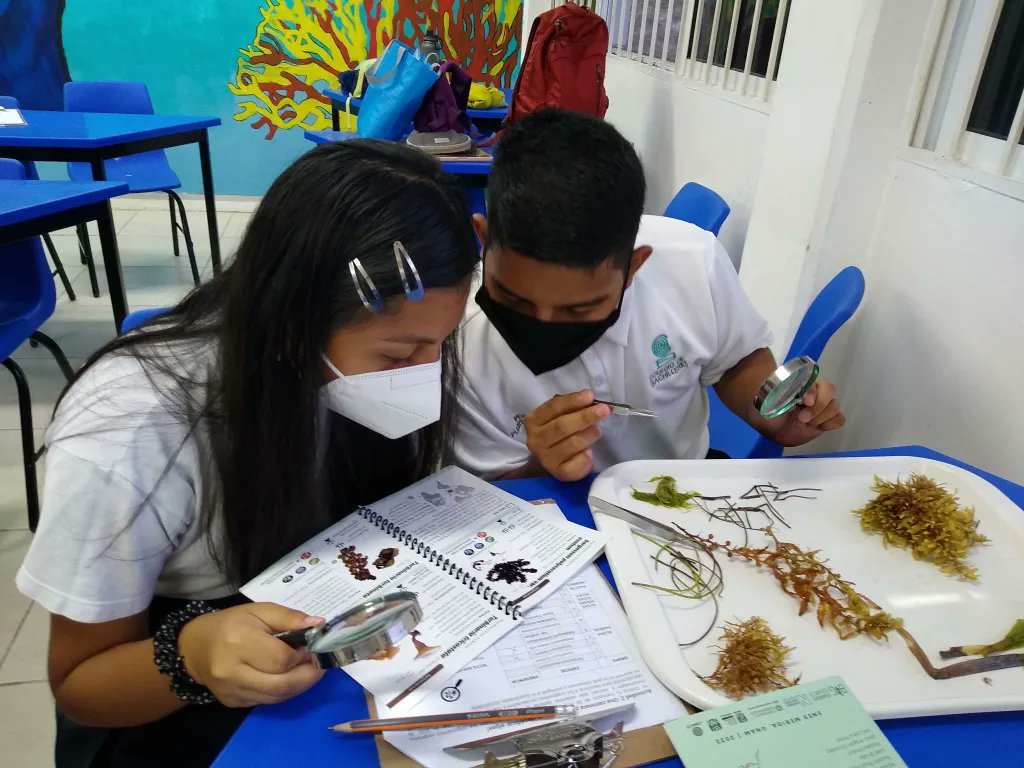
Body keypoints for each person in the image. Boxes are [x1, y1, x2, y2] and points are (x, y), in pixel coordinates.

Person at [16, 141, 478, 767]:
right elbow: (80, 687)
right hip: (176, 701)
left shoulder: (368, 351)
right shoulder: (135, 427)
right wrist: (192, 656)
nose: (423, 375)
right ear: (292, 323)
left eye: (439, 345)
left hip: (316, 656)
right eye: (398, 357)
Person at [453, 109, 845, 481]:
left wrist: (771, 414)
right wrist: (541, 465)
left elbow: (737, 361)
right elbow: (492, 491)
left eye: (579, 308)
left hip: (681, 487)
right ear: (484, 240)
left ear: (634, 267)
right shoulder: (460, 344)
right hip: (548, 515)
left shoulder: (693, 263)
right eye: (515, 299)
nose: (543, 323)